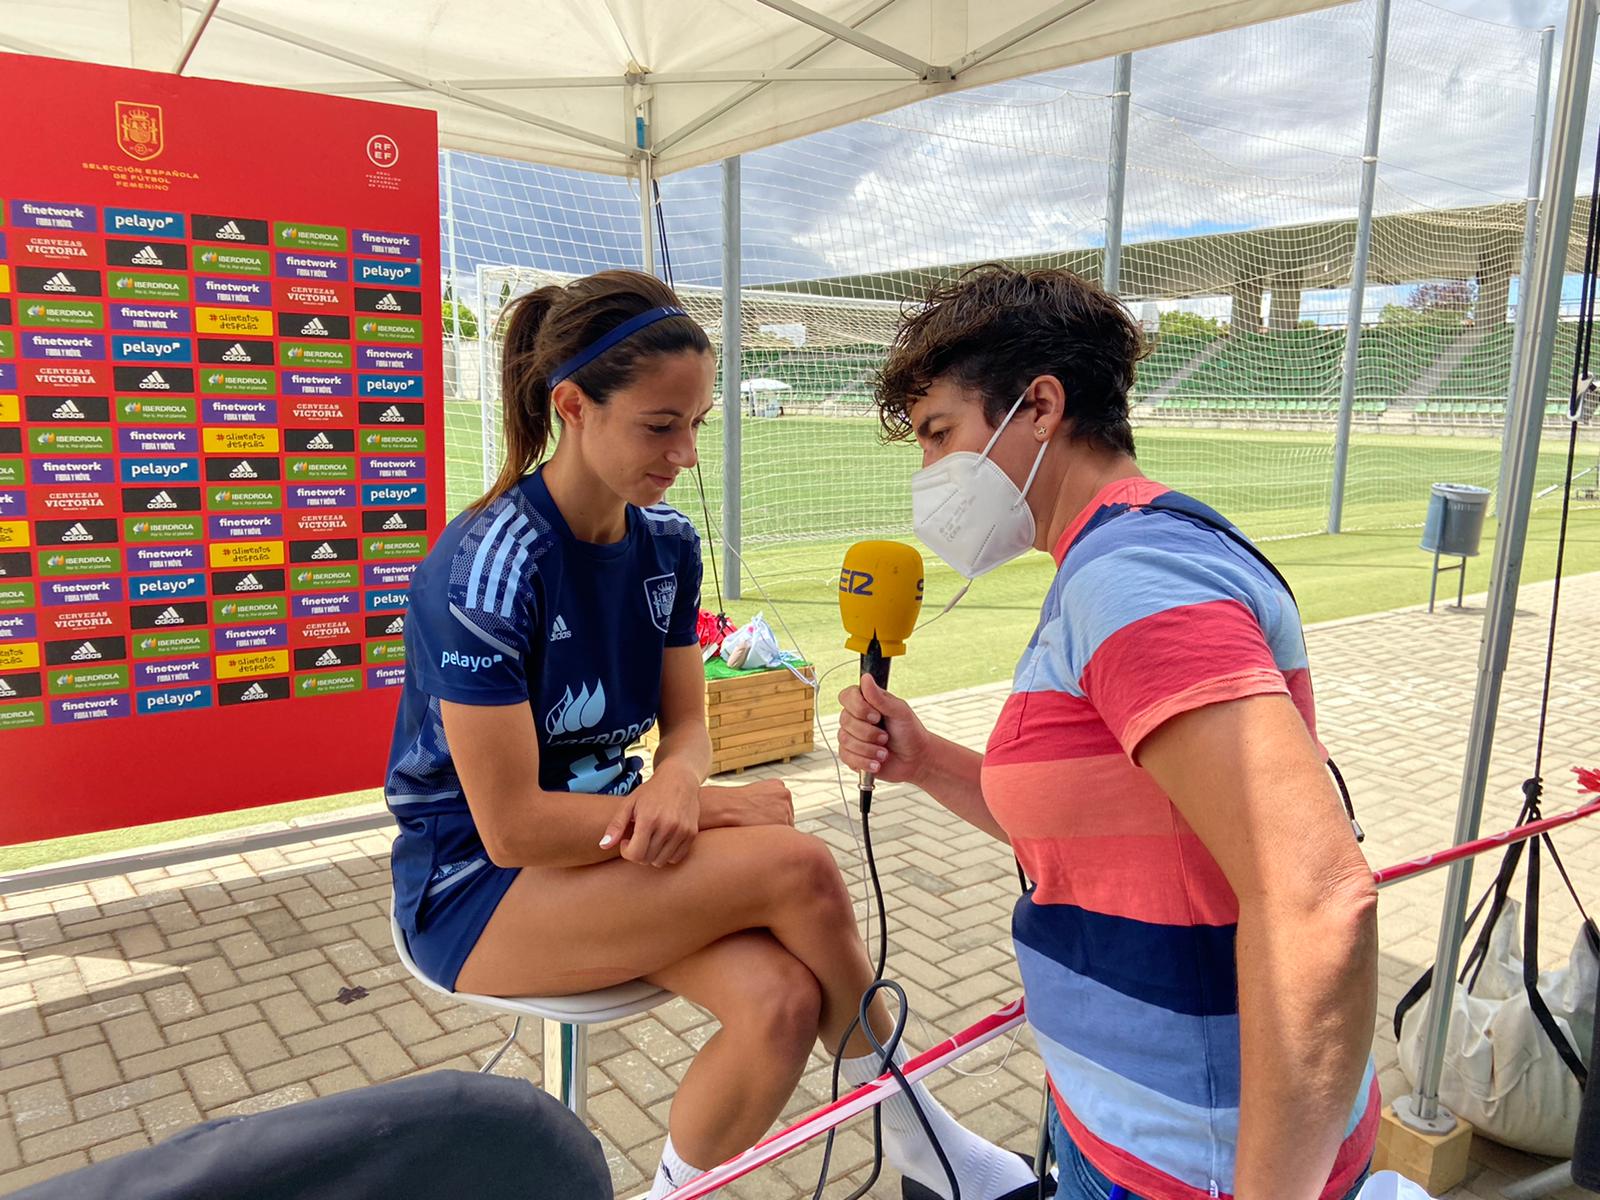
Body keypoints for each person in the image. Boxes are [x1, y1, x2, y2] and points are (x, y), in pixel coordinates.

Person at [385, 270, 1041, 1200]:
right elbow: (510, 827)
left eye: (697, 423)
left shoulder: (666, 544)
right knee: (798, 867)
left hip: (617, 846)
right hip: (475, 886)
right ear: (572, 405)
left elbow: (687, 728)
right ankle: (925, 1141)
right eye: (662, 425)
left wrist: (683, 789)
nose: (687, 453)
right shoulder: (492, 563)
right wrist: (713, 811)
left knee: (781, 1003)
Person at [838, 265, 1381, 1200]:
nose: (930, 477)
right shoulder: (1115, 556)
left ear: (1040, 406)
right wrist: (925, 762)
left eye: (940, 436)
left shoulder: (1132, 577)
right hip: (1130, 1131)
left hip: (1193, 1161)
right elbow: (1113, 840)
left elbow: (1320, 898)